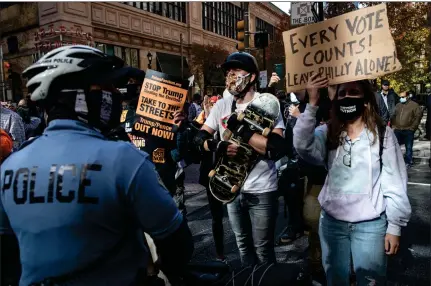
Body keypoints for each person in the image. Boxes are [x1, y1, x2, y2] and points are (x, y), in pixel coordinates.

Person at [0, 45, 193, 286]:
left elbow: (7, 255)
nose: (116, 94)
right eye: (107, 88)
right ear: (78, 97)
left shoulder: (9, 167)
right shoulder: (125, 160)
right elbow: (178, 246)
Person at [293, 75, 411, 285]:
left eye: (354, 92)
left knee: (371, 280)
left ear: (366, 98)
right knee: (335, 280)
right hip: (332, 224)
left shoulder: (383, 134)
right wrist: (311, 104)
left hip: (371, 227)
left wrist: (394, 226)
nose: (347, 97)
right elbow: (303, 146)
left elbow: (395, 182)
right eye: (342, 93)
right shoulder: (328, 131)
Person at [194, 52, 285, 267]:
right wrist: (218, 146)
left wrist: (243, 132)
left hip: (262, 190)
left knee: (263, 250)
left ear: (252, 77)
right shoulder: (222, 106)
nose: (231, 76)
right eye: (228, 72)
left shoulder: (268, 105)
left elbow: (276, 149)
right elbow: (199, 138)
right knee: (243, 246)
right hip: (231, 187)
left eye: (236, 71)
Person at [120, 75, 189, 216]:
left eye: (138, 87)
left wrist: (180, 129)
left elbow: (178, 152)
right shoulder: (119, 114)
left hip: (164, 179)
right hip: (133, 183)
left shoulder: (163, 113)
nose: (133, 91)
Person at [392, 91, 423, 168]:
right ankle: (396, 161)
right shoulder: (398, 105)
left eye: (403, 97)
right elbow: (394, 115)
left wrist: (412, 128)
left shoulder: (414, 105)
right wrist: (394, 125)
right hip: (398, 129)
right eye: (400, 97)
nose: (401, 98)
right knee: (396, 146)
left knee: (408, 147)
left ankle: (408, 161)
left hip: (408, 130)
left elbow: (418, 117)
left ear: (408, 96)